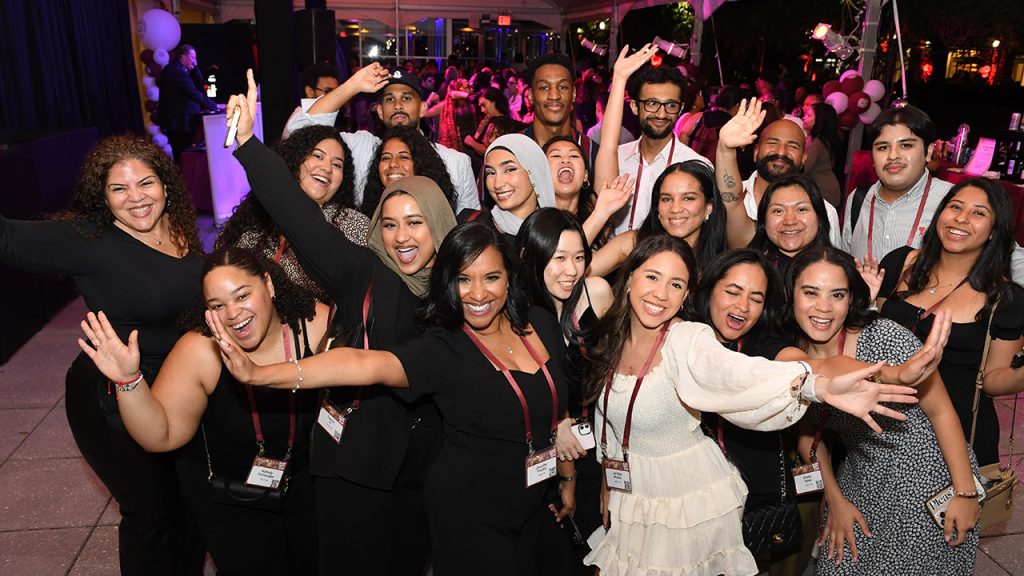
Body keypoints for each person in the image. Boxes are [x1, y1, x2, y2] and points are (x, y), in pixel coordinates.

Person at [207, 222, 577, 576]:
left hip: (531, 500)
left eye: (491, 277)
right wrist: (258, 374)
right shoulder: (444, 348)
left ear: (509, 277)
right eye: (463, 279)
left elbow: (552, 405)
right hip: (470, 509)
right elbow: (364, 364)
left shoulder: (540, 324)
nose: (478, 294)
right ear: (448, 283)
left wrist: (568, 475)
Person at [580, 234, 922, 575]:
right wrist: (610, 484)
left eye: (675, 284)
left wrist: (819, 385)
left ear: (685, 294)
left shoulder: (687, 340)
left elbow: (745, 374)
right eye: (652, 277)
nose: (659, 293)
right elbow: (609, 417)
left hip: (685, 499)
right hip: (634, 490)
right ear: (629, 279)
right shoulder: (614, 334)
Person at [227, 71, 458, 576]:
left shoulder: (461, 290)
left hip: (426, 464)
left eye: (415, 222)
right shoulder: (363, 271)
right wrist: (247, 145)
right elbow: (298, 217)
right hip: (352, 457)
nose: (400, 237)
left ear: (440, 224)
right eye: (389, 223)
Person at [0, 135, 204, 575]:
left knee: (189, 507)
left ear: (166, 185)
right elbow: (6, 236)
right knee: (151, 512)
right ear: (103, 197)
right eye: (119, 189)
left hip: (181, 390)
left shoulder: (181, 227)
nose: (136, 198)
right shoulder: (89, 239)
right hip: (113, 393)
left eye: (145, 183)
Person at [79, 247, 330, 575]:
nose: (233, 314)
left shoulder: (315, 324)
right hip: (229, 491)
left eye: (242, 295)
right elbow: (162, 435)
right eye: (218, 306)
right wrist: (129, 381)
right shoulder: (200, 350)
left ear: (268, 285)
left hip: (301, 478)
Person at [788, 246, 980, 574]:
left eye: (837, 294)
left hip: (928, 478)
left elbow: (942, 413)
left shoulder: (886, 337)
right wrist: (834, 499)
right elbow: (808, 436)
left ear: (851, 300)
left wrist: (966, 493)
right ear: (790, 295)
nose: (823, 307)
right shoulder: (788, 353)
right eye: (810, 292)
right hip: (861, 479)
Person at [878, 178, 1024, 467]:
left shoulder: (1004, 299)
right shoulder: (900, 264)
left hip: (953, 437)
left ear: (995, 231)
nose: (961, 218)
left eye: (978, 213)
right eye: (955, 206)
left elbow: (993, 380)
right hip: (882, 423)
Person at [516, 208, 615, 575]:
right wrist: (556, 424)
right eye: (559, 258)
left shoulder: (597, 294)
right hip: (535, 459)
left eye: (578, 258)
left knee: (591, 555)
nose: (571, 270)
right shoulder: (515, 314)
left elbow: (616, 376)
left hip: (593, 452)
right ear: (532, 257)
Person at [840, 104, 1024, 282]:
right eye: (882, 147)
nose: (893, 155)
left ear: (928, 152)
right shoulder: (859, 198)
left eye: (906, 146)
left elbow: (1009, 257)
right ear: (872, 157)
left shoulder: (954, 201)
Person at [285, 63, 480, 213]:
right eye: (389, 99)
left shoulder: (455, 162)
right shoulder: (364, 148)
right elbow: (300, 133)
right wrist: (353, 85)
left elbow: (469, 227)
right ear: (379, 111)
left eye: (406, 98)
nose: (397, 105)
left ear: (422, 108)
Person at [216, 125, 369, 304]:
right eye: (318, 156)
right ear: (295, 160)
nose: (327, 168)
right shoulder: (255, 218)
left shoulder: (354, 225)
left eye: (337, 165)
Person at [715, 99, 842, 249]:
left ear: (803, 159)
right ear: (755, 152)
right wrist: (725, 148)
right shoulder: (734, 198)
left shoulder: (824, 211)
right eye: (772, 143)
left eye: (792, 146)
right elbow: (731, 202)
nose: (781, 152)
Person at [608, 62, 711, 235]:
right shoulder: (615, 159)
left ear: (680, 110)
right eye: (652, 103)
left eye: (671, 105)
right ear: (634, 106)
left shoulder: (697, 165)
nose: (661, 114)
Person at [590, 160, 727, 277]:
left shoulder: (720, 266)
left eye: (688, 198)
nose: (675, 208)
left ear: (708, 207)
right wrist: (599, 214)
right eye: (666, 199)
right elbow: (572, 272)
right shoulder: (635, 243)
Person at [542, 135, 633, 247]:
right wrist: (599, 215)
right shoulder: (532, 220)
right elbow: (563, 256)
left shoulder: (599, 227)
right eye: (556, 155)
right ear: (542, 171)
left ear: (585, 175)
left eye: (574, 156)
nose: (565, 160)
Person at [466, 133, 557, 244]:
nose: (497, 184)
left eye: (509, 170)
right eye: (491, 173)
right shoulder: (475, 234)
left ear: (534, 171)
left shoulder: (559, 233)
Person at [360, 125, 459, 218]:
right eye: (386, 158)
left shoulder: (434, 213)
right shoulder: (367, 219)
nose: (392, 164)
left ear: (420, 165)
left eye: (403, 157)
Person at [521, 53, 598, 168]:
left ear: (573, 94)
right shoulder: (511, 151)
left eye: (563, 87)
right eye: (544, 87)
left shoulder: (592, 154)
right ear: (531, 95)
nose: (554, 95)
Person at [747, 174, 833, 271]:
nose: (790, 221)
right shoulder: (749, 271)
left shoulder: (841, 271)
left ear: (819, 217)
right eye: (778, 211)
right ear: (764, 221)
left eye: (801, 209)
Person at [158, 44, 221, 161]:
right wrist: (216, 106)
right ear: (183, 57)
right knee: (182, 154)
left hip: (176, 122)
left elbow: (200, 86)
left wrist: (195, 68)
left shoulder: (173, 69)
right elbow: (195, 93)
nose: (195, 61)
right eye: (193, 57)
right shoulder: (177, 72)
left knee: (180, 154)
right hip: (179, 123)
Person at [801, 102, 842, 209]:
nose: (804, 117)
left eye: (809, 115)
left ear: (820, 120)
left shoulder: (817, 143)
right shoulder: (818, 139)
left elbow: (803, 168)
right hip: (823, 189)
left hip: (823, 192)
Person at [464, 86, 510, 156]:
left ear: (494, 102)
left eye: (484, 105)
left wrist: (471, 142)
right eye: (480, 107)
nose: (482, 110)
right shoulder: (491, 121)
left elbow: (490, 151)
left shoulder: (500, 123)